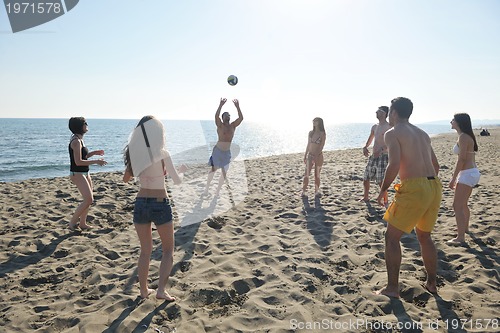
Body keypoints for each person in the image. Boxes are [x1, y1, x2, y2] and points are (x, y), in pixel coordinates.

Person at [375, 97, 442, 298]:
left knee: (391, 237)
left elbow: (393, 164)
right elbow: (436, 166)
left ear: (393, 113)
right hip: (433, 186)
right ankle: (431, 283)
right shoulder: (422, 133)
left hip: (415, 187)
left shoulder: (392, 133)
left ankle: (392, 288)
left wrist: (383, 189)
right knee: (424, 236)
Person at [123, 116, 187, 300]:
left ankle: (143, 291)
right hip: (160, 203)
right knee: (167, 250)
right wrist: (181, 171)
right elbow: (176, 181)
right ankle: (160, 290)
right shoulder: (163, 152)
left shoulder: (136, 153)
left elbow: (126, 179)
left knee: (145, 251)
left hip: (141, 202)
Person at [68, 117, 107, 231]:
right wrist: (96, 162)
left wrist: (94, 153)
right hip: (77, 173)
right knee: (88, 199)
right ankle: (72, 223)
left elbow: (83, 157)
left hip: (85, 173)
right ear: (79, 126)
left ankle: (83, 224)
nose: (87, 125)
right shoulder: (75, 141)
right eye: (85, 123)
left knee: (89, 200)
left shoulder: (80, 139)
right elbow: (78, 162)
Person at [448, 113, 480, 244]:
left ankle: (460, 237)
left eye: (453, 120)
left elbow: (461, 160)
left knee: (457, 205)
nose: (451, 121)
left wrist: (453, 178)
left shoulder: (463, 137)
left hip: (467, 173)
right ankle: (465, 229)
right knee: (463, 204)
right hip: (471, 172)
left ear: (459, 122)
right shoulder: (465, 136)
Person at [203, 98, 243, 196]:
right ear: (223, 117)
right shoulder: (220, 125)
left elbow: (241, 118)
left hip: (227, 152)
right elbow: (216, 116)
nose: (228, 116)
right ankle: (207, 189)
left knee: (224, 172)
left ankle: (217, 191)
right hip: (218, 151)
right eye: (226, 115)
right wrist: (221, 105)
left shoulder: (233, 126)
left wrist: (237, 107)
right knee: (213, 170)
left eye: (229, 115)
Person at [360, 106, 392, 205]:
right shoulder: (375, 126)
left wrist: (382, 149)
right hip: (374, 156)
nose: (376, 113)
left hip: (383, 156)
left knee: (380, 180)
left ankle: (385, 201)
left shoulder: (389, 127)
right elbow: (371, 138)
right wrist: (365, 147)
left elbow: (391, 143)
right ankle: (366, 197)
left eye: (379, 111)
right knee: (366, 177)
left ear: (384, 113)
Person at [302, 117, 326, 197]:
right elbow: (308, 144)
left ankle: (316, 191)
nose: (314, 123)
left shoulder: (322, 133)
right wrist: (305, 155)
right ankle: (304, 191)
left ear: (319, 123)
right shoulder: (311, 133)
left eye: (315, 121)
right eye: (313, 121)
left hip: (318, 156)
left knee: (317, 175)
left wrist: (316, 155)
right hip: (310, 155)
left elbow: (322, 145)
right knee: (306, 174)